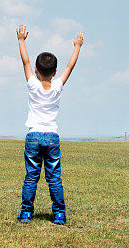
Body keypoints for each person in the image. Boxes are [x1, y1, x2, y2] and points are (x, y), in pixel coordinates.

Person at [15, 24, 84, 225]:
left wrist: (21, 40)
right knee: (54, 177)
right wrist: (77, 46)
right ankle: (59, 214)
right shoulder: (57, 87)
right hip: (52, 136)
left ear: (36, 70)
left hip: (34, 135)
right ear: (54, 72)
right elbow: (70, 67)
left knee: (31, 176)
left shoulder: (32, 84)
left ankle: (26, 213)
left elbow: (25, 61)